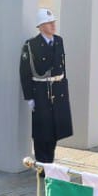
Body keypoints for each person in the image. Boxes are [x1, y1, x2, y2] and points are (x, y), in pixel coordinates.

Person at [20, 9, 73, 164]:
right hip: (41, 92)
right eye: (49, 23)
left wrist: (64, 87)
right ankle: (43, 166)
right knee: (42, 131)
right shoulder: (31, 45)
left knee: (55, 129)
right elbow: (24, 72)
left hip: (58, 90)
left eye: (53, 22)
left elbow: (62, 66)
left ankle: (50, 162)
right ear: (41, 26)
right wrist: (29, 97)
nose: (53, 25)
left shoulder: (58, 41)